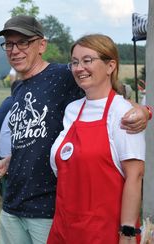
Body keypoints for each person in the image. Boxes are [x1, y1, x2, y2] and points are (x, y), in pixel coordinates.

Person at [0, 15, 150, 244]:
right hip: (13, 205)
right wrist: (8, 161)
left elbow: (110, 94)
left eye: (23, 42)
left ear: (41, 45)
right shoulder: (19, 88)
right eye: (9, 44)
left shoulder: (64, 75)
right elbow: (36, 140)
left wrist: (144, 110)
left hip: (48, 210)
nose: (15, 50)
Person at [47, 34, 145, 244]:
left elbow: (134, 177)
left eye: (87, 60)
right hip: (65, 228)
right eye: (74, 62)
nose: (79, 67)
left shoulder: (124, 113)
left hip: (103, 233)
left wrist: (127, 233)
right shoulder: (72, 110)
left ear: (110, 66)